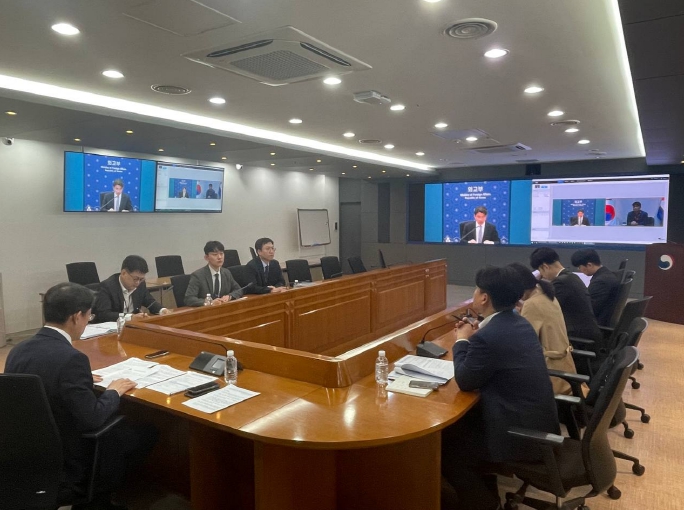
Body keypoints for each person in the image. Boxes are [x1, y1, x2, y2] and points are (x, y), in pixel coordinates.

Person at [4, 282, 157, 510]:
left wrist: (80, 379)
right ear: (76, 317)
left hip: (26, 452)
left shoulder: (18, 350)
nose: (87, 321)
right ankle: (97, 502)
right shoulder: (71, 359)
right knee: (145, 432)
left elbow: (41, 381)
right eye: (89, 316)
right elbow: (92, 419)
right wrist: (114, 391)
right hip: (68, 456)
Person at [441, 266, 559, 510]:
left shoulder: (489, 336)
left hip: (518, 434)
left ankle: (483, 503)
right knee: (460, 426)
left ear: (484, 298)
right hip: (538, 423)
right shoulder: (519, 322)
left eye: (477, 290)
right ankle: (487, 493)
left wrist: (461, 340)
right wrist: (477, 335)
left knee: (447, 448)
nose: (474, 294)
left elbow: (465, 380)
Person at [508, 262, 578, 394]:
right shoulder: (545, 293)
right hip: (564, 370)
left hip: (550, 376)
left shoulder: (532, 304)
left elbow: (523, 346)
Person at [529, 247, 602, 349]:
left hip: (578, 340)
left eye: (540, 271)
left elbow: (543, 309)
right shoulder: (570, 277)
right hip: (586, 334)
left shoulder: (561, 283)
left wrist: (533, 286)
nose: (542, 275)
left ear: (545, 267)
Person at [92, 255, 169, 323]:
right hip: (112, 329)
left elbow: (150, 302)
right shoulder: (107, 287)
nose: (138, 283)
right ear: (123, 273)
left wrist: (162, 310)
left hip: (133, 327)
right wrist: (130, 317)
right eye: (135, 279)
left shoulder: (141, 284)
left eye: (141, 279)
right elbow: (104, 314)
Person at [185, 241, 244, 306]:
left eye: (221, 254)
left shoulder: (226, 272)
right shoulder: (198, 275)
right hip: (206, 310)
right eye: (215, 254)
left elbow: (238, 290)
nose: (219, 257)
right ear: (206, 257)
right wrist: (210, 302)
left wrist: (229, 296)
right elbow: (189, 298)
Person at [570, 249, 620, 326]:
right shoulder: (606, 275)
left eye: (579, 267)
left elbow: (588, 309)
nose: (579, 270)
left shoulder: (601, 282)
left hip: (595, 325)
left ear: (589, 265)